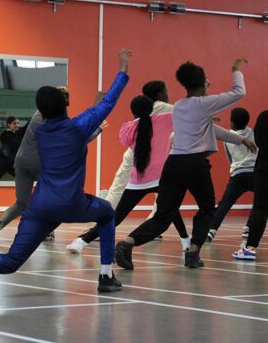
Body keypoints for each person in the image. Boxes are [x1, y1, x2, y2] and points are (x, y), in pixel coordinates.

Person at [0, 49, 132, 301]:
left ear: (42, 113)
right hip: (71, 204)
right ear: (65, 106)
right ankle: (106, 276)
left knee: (13, 259)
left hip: (40, 206)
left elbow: (81, 124)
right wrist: (122, 70)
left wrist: (95, 108)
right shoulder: (77, 128)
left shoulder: (41, 132)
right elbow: (107, 104)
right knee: (107, 212)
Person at [114, 58, 256, 271]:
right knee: (207, 209)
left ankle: (128, 243)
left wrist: (240, 139)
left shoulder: (179, 106)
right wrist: (235, 69)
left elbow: (210, 129)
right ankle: (193, 251)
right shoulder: (204, 104)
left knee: (163, 215)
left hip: (173, 164)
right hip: (195, 163)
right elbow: (239, 92)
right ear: (202, 82)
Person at [67, 80, 190, 253]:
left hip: (138, 179)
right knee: (171, 210)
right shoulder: (167, 118)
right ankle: (185, 241)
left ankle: (81, 241)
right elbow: (187, 113)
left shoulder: (129, 128)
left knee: (116, 217)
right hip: (160, 176)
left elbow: (126, 140)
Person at [0, 87, 105, 244]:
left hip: (21, 162)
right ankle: (46, 231)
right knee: (52, 199)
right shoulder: (56, 119)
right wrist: (97, 128)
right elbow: (74, 139)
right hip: (40, 164)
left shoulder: (38, 113)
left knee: (21, 203)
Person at [207, 107, 256, 242]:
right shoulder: (252, 133)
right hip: (255, 174)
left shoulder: (228, 138)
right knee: (261, 201)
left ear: (232, 123)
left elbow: (230, 159)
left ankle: (211, 230)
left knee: (225, 203)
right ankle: (249, 227)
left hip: (238, 175)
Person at [232, 110, 268, 260]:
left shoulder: (265, 116)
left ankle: (250, 248)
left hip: (265, 168)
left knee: (261, 207)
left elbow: (259, 141)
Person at [0, 116, 27, 181]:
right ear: (9, 125)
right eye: (14, 123)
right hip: (3, 162)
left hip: (12, 163)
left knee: (23, 177)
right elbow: (8, 148)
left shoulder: (18, 132)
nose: (17, 125)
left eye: (18, 123)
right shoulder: (5, 135)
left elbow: (26, 127)